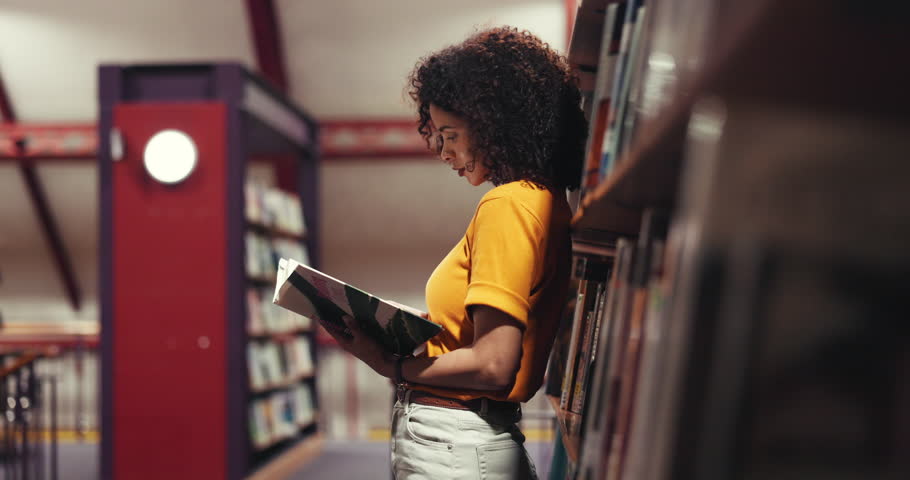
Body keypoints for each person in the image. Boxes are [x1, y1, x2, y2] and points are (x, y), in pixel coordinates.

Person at [324, 26, 586, 479]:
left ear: (495, 126)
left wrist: (392, 364)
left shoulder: (507, 205)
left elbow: (493, 365)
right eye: (437, 136)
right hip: (468, 440)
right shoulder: (546, 199)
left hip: (453, 444)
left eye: (451, 134)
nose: (443, 152)